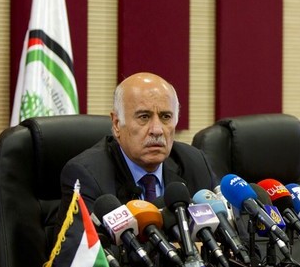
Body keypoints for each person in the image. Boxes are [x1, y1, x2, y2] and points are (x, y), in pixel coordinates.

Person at [57, 72, 217, 224]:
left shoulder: (195, 163)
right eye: (144, 117)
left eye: (165, 117)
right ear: (117, 124)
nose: (157, 130)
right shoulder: (87, 176)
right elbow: (89, 250)